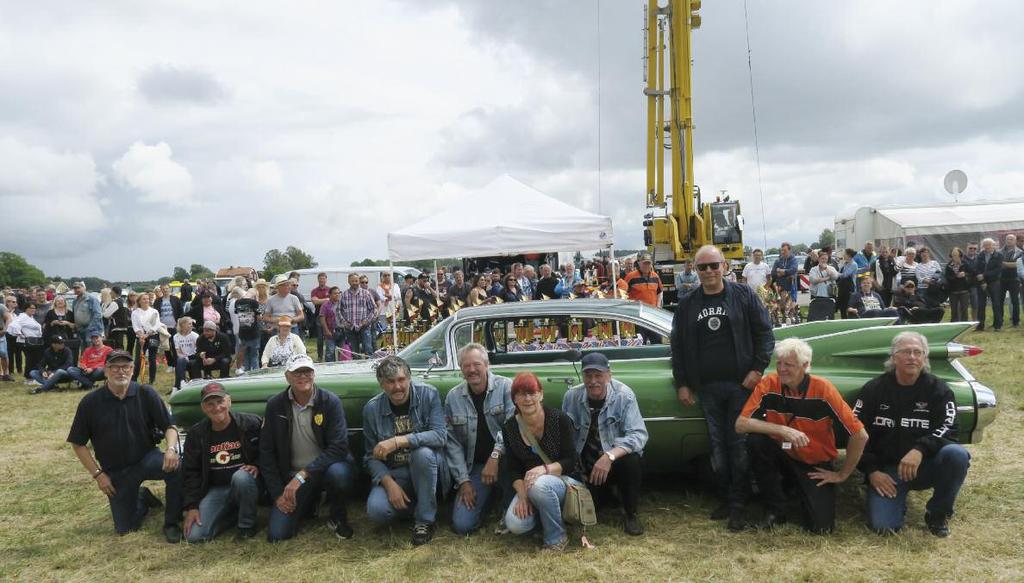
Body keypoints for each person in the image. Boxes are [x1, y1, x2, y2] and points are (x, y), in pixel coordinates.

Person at [672, 245, 775, 531]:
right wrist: (683, 383)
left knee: (738, 444)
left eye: (713, 265)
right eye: (702, 267)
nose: (708, 272)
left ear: (725, 266)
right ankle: (729, 498)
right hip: (706, 388)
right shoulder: (688, 303)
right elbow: (677, 347)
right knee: (718, 448)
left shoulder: (743, 296)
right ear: (695, 270)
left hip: (741, 386)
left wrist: (757, 369)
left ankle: (740, 505)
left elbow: (765, 334)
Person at [736, 338, 869, 533]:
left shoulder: (823, 389)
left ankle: (797, 491)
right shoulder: (769, 383)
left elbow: (860, 435)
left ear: (805, 365)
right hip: (782, 453)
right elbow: (740, 424)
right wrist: (782, 430)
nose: (781, 369)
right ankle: (776, 508)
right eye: (779, 363)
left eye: (788, 364)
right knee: (756, 441)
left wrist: (842, 474)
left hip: (813, 461)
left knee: (821, 528)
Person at [853, 332, 971, 537]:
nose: (912, 357)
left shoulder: (939, 390)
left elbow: (949, 426)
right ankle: (895, 503)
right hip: (887, 470)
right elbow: (856, 432)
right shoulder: (874, 389)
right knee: (884, 527)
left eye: (918, 352)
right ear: (894, 357)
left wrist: (920, 449)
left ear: (925, 358)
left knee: (957, 454)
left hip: (924, 465)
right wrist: (871, 471)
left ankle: (937, 513)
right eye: (906, 352)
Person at [66, 349, 183, 542]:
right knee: (125, 528)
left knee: (177, 467)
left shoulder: (146, 393)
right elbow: (78, 444)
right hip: (116, 471)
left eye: (126, 367)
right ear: (105, 371)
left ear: (132, 370)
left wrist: (171, 449)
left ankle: (171, 522)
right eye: (114, 367)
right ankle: (142, 497)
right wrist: (98, 474)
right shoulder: (90, 402)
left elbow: (170, 426)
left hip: (147, 458)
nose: (121, 371)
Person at [261, 354, 357, 541]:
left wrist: (303, 474)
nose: (303, 376)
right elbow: (266, 453)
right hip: (294, 476)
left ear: (314, 374)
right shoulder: (275, 405)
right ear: (287, 376)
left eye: (307, 371)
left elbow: (339, 447)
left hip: (323, 470)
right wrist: (277, 494)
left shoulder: (330, 402)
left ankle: (338, 516)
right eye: (297, 372)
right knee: (277, 535)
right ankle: (311, 503)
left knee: (339, 473)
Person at [561, 352, 648, 535]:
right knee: (584, 512)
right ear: (582, 376)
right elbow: (566, 438)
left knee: (632, 459)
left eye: (598, 375)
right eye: (588, 375)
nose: (593, 381)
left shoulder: (624, 396)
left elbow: (639, 435)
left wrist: (609, 456)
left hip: (614, 462)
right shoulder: (571, 397)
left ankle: (630, 513)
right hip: (587, 466)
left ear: (609, 375)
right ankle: (605, 496)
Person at [363, 356, 446, 545]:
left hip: (430, 467)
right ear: (381, 384)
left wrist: (399, 441)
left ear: (409, 378)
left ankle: (425, 521)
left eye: (401, 380)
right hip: (397, 472)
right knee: (377, 511)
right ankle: (424, 505)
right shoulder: (371, 409)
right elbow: (370, 457)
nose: (397, 387)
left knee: (422, 453)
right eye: (390, 382)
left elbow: (440, 436)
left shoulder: (428, 394)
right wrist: (388, 483)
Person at [502, 372, 583, 552]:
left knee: (540, 485)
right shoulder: (509, 427)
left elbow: (572, 461)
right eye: (521, 394)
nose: (528, 398)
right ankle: (545, 515)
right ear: (514, 399)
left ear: (541, 394)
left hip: (565, 483)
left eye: (532, 392)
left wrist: (543, 469)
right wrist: (523, 496)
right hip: (530, 486)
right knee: (516, 525)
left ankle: (556, 538)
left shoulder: (559, 419)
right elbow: (513, 467)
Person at [443, 344, 514, 535]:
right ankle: (489, 499)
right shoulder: (453, 397)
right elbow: (452, 444)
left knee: (516, 523)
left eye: (477, 364)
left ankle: (507, 505)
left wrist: (495, 455)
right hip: (475, 467)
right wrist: (463, 481)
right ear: (461, 369)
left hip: (506, 463)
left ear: (487, 364)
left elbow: (512, 429)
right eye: (466, 366)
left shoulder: (506, 387)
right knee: (462, 525)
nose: (472, 370)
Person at [182, 382, 263, 542]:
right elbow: (191, 472)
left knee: (241, 477)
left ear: (229, 402)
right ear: (203, 408)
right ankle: (232, 515)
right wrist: (192, 506)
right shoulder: (196, 434)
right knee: (195, 537)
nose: (216, 407)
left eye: (220, 402)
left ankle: (247, 525)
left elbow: (268, 451)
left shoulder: (251, 424)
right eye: (210, 404)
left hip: (247, 484)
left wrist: (257, 465)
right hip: (217, 489)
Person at [338, 273, 378, 359]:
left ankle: (369, 368)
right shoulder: (344, 295)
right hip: (350, 327)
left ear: (358, 281)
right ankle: (358, 368)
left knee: (368, 348)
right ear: (349, 282)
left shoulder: (366, 293)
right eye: (352, 281)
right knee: (354, 352)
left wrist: (367, 320)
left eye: (356, 281)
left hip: (364, 326)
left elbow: (374, 309)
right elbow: (338, 310)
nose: (355, 283)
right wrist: (344, 322)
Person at [130, 292, 161, 385]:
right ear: (139, 301)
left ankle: (152, 380)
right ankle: (134, 379)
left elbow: (156, 324)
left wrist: (147, 335)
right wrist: (141, 336)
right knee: (138, 359)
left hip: (153, 336)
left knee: (152, 358)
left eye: (147, 299)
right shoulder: (135, 313)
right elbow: (135, 326)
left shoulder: (154, 311)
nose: (146, 300)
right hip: (140, 337)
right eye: (144, 299)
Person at [11, 303, 44, 383]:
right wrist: (19, 333)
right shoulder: (22, 316)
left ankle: (34, 377)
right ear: (26, 308)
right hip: (27, 342)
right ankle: (29, 378)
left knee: (35, 360)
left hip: (35, 342)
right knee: (30, 360)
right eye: (31, 308)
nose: (33, 309)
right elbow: (13, 325)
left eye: (34, 308)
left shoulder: (31, 318)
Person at [232, 290, 261, 373]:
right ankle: (255, 373)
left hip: (242, 332)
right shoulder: (254, 302)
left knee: (245, 354)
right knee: (254, 355)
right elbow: (259, 317)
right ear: (255, 295)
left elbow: (236, 313)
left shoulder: (237, 302)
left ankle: (247, 372)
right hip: (253, 332)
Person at [71, 281, 104, 349]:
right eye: (75, 288)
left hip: (91, 330)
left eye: (78, 288)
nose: (76, 290)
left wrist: (90, 327)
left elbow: (98, 314)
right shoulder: (75, 301)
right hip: (80, 329)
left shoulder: (92, 299)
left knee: (92, 349)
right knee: (84, 350)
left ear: (84, 288)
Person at [999, 234, 1022, 327]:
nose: (1009, 241)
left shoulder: (1020, 252)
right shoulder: (999, 252)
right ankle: (999, 321)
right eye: (1008, 239)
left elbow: (1016, 265)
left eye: (1011, 239)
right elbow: (998, 264)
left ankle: (1016, 322)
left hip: (1014, 279)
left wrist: (1004, 263)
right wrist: (1009, 264)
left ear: (1015, 241)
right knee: (999, 300)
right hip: (1001, 279)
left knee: (1015, 301)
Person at [945, 247, 972, 322]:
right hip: (953, 291)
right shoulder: (949, 265)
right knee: (954, 309)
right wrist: (956, 276)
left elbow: (971, 273)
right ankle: (954, 323)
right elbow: (947, 277)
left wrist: (965, 274)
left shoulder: (965, 263)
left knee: (964, 309)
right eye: (953, 255)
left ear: (960, 254)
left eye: (956, 254)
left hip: (964, 290)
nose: (955, 256)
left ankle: (965, 323)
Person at [172, 317, 199, 392]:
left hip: (193, 357)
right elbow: (178, 352)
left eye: (191, 324)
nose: (191, 325)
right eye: (189, 324)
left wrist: (188, 357)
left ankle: (177, 386)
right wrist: (184, 357)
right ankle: (181, 383)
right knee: (180, 360)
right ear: (183, 325)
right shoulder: (176, 337)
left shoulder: (195, 335)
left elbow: (198, 351)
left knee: (190, 362)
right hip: (183, 358)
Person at [309, 273, 331, 361]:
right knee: (320, 338)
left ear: (326, 279)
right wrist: (326, 300)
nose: (322, 280)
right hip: (318, 316)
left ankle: (329, 356)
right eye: (320, 279)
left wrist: (320, 300)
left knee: (329, 337)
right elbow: (315, 302)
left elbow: (332, 301)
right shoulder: (314, 291)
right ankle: (320, 356)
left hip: (329, 316)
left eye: (323, 278)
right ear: (318, 280)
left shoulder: (329, 289)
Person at [318, 287, 341, 362]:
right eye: (335, 293)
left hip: (342, 331)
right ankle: (329, 368)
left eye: (338, 293)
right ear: (330, 295)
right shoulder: (325, 305)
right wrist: (326, 330)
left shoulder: (342, 303)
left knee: (341, 351)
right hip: (330, 331)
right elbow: (322, 318)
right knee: (330, 352)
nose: (337, 295)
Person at [837, 249, 859, 319]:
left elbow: (845, 274)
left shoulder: (854, 264)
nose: (843, 255)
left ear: (849, 255)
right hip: (842, 288)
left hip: (849, 288)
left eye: (844, 254)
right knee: (842, 306)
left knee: (849, 305)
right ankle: (843, 319)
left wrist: (835, 274)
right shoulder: (845, 263)